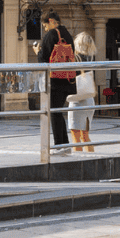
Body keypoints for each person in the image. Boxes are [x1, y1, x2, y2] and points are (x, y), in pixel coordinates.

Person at [36, 11, 76, 152]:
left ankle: (60, 144)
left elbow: (43, 59)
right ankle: (64, 144)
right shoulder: (67, 35)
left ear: (51, 21)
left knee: (54, 112)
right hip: (68, 79)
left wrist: (37, 51)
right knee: (58, 111)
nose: (45, 29)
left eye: (45, 26)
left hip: (55, 80)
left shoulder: (52, 34)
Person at [67, 33, 97, 153]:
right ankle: (91, 159)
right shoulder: (91, 58)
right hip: (89, 99)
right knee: (85, 136)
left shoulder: (75, 58)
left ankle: (78, 160)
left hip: (77, 99)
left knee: (75, 137)